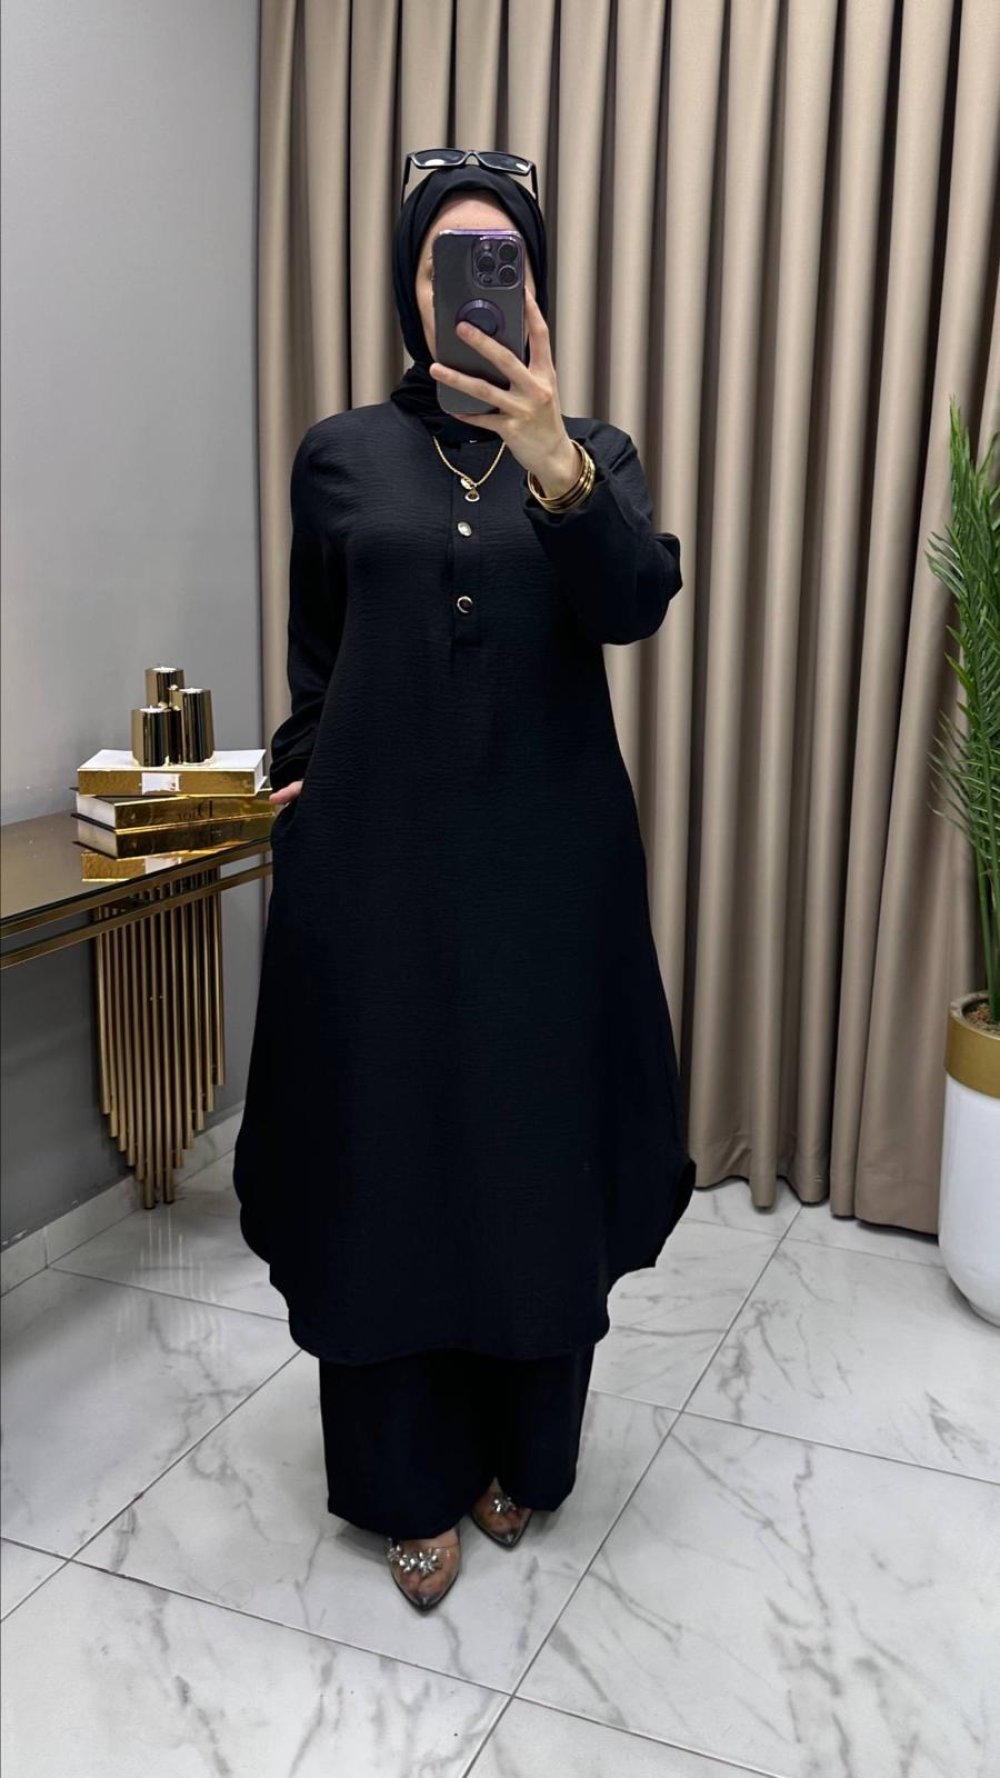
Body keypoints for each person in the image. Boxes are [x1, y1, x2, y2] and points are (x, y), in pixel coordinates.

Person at [232, 154, 696, 1610]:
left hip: (549, 875)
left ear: (536, 288)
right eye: (452, 258)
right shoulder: (340, 454)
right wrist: (301, 774)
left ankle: (523, 1449)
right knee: (389, 1157)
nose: (477, 282)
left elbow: (633, 602)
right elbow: (320, 653)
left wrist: (557, 461)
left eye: (504, 257)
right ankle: (400, 1476)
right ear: (412, 286)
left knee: (529, 1154)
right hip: (372, 874)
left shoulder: (594, 450)